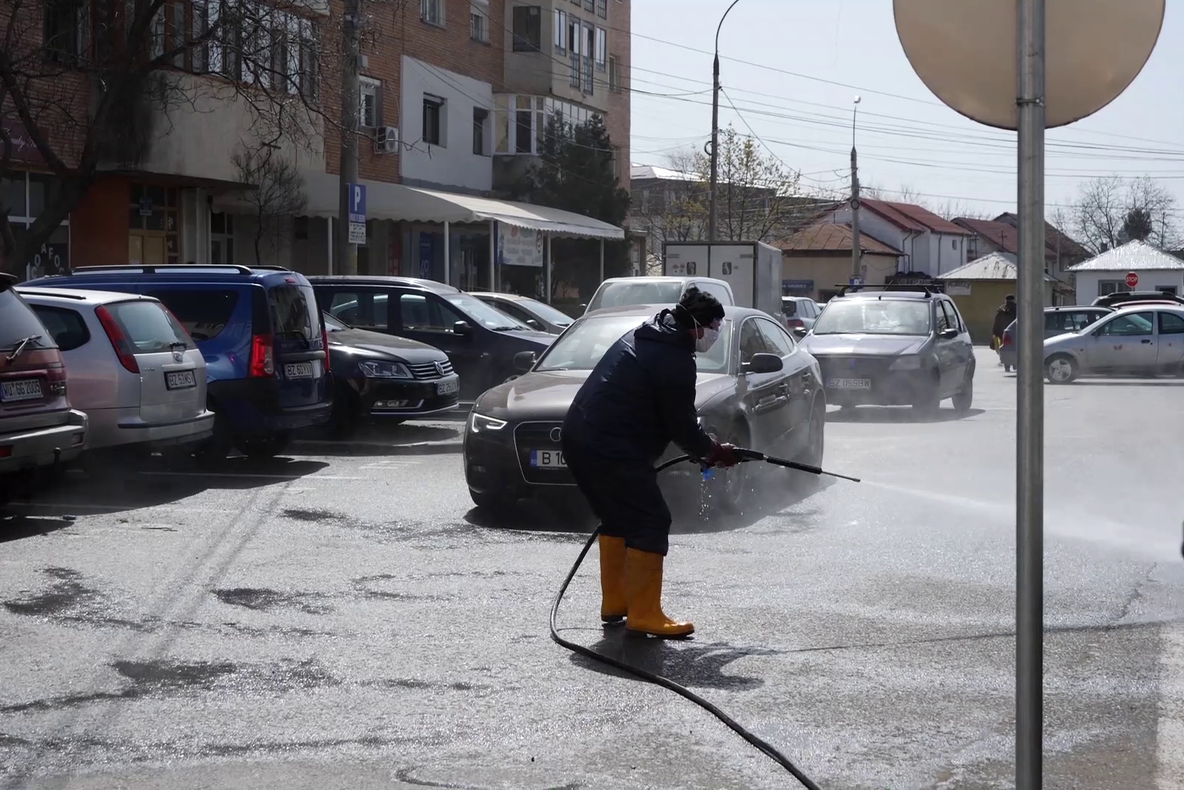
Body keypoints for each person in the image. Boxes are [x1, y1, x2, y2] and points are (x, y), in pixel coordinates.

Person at [561, 286, 740, 639]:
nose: (715, 335)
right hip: (609, 446)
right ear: (697, 326)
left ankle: (617, 603)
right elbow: (680, 424)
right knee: (651, 518)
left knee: (617, 518)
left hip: (580, 436)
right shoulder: (673, 358)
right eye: (715, 327)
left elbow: (665, 412)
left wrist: (702, 445)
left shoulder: (650, 335)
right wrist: (714, 451)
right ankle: (644, 613)